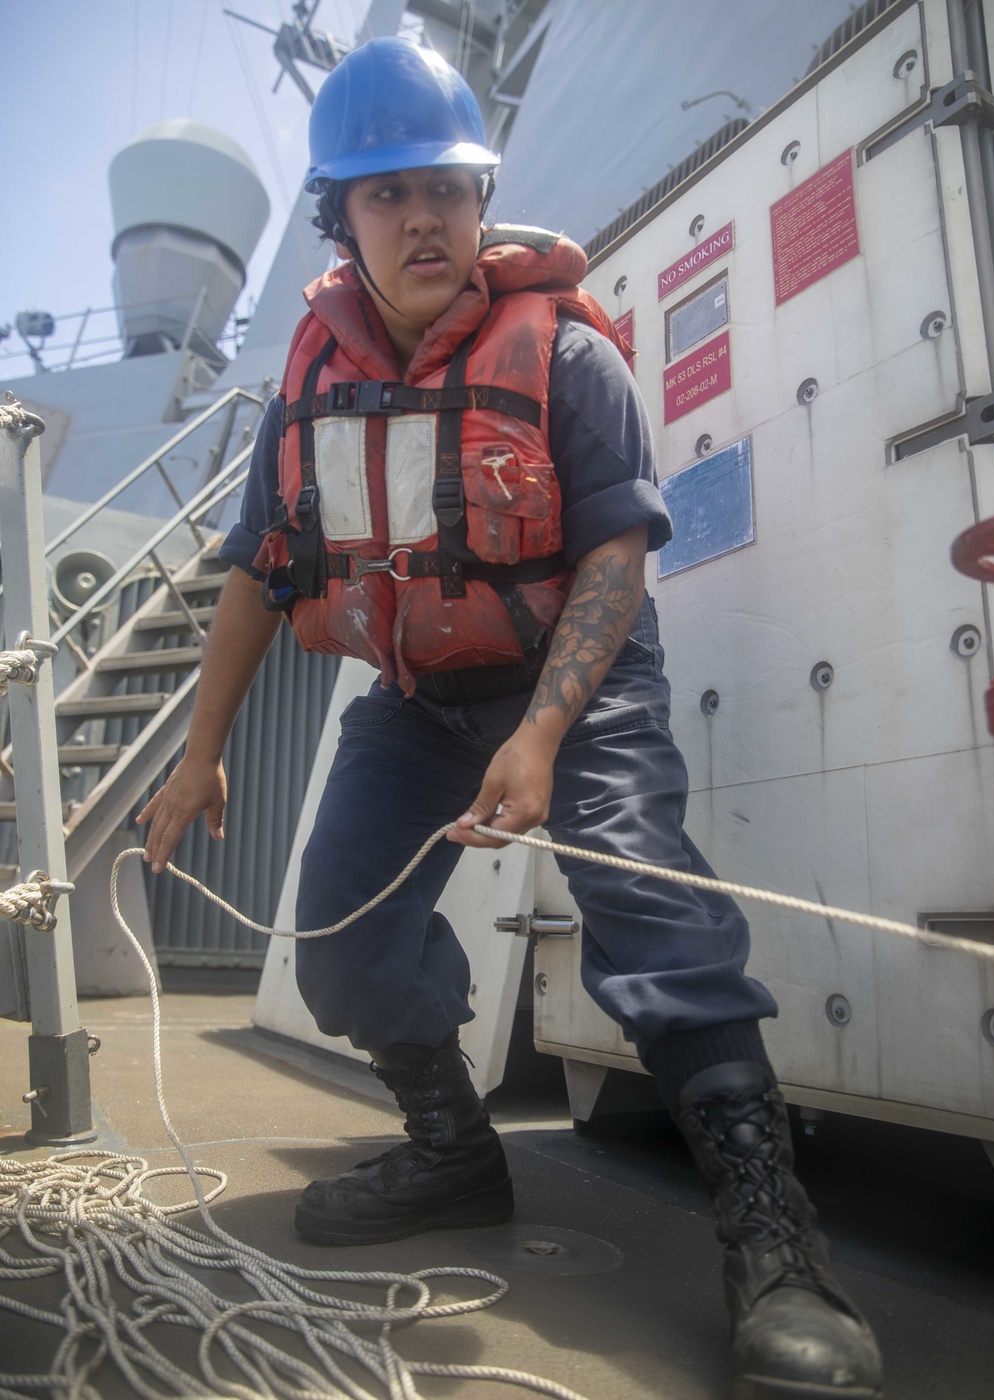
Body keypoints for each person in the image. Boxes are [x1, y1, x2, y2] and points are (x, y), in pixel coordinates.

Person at [140, 37, 882, 1400]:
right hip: (416, 698)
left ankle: (779, 1246)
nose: (423, 217)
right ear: (342, 220)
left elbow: (612, 557)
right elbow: (259, 576)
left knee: (647, 910)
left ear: (483, 203)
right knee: (344, 948)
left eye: (448, 189)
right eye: (387, 195)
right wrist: (199, 759)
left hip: (575, 683)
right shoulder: (305, 392)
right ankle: (452, 1151)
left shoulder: (565, 359)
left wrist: (540, 735)